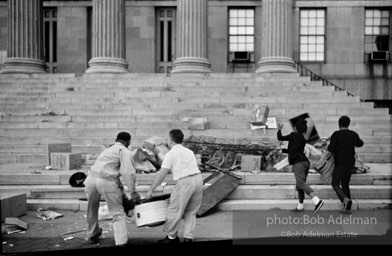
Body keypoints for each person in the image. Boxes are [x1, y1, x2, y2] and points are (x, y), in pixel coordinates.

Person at [146, 129, 203, 244]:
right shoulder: (189, 151)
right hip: (198, 179)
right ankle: (188, 237)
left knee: (175, 210)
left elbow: (162, 174)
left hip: (185, 182)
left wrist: (151, 189)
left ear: (170, 140)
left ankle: (172, 237)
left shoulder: (170, 154)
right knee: (191, 211)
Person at [84, 132, 137, 246]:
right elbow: (128, 173)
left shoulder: (107, 150)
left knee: (91, 209)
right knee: (117, 213)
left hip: (90, 179)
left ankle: (92, 234)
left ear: (116, 139)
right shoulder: (124, 151)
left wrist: (122, 194)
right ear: (128, 142)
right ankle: (121, 242)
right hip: (106, 181)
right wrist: (133, 192)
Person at [277, 119, 324, 215]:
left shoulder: (293, 135)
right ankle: (300, 206)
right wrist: (284, 151)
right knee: (300, 186)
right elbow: (295, 150)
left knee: (301, 184)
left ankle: (316, 201)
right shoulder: (303, 138)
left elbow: (280, 137)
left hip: (299, 164)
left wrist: (279, 129)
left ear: (296, 128)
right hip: (305, 162)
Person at [328, 116, 364, 214]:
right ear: (348, 124)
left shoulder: (336, 134)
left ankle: (345, 199)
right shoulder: (353, 134)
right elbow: (360, 144)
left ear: (339, 124)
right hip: (350, 163)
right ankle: (347, 208)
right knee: (345, 183)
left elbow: (331, 148)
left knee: (335, 183)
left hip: (340, 162)